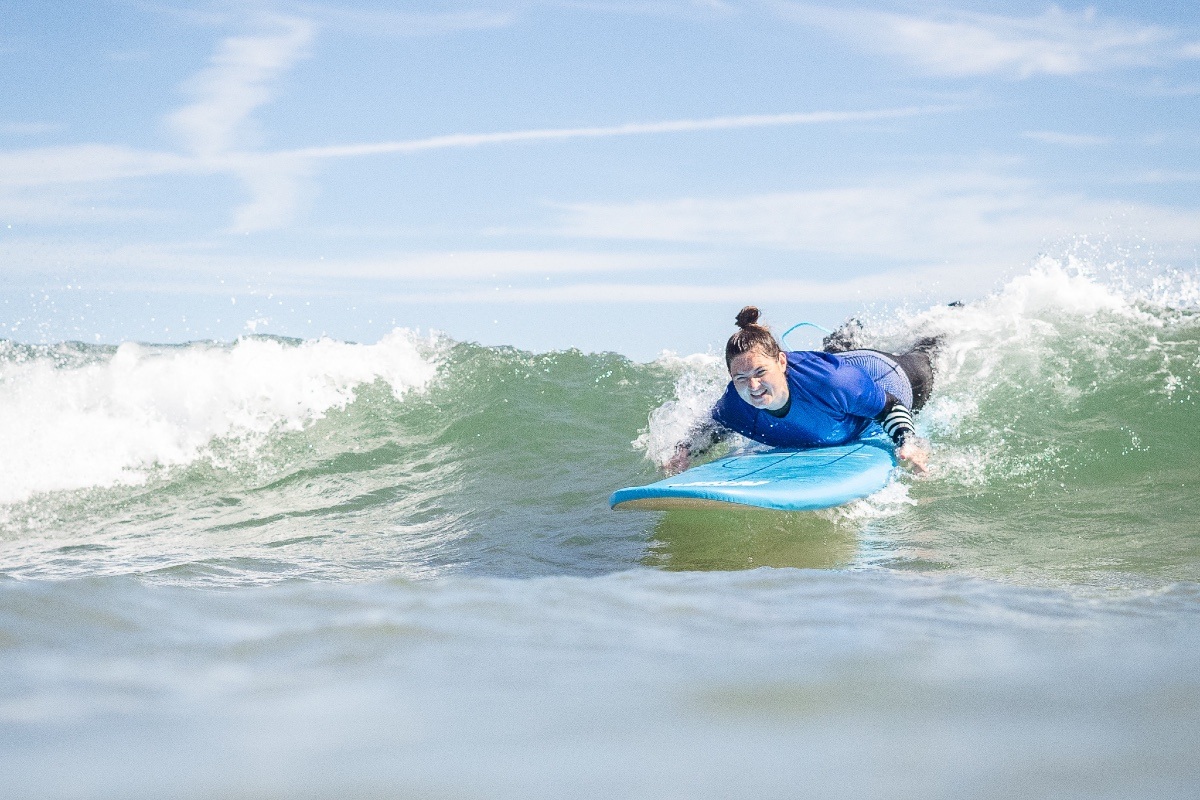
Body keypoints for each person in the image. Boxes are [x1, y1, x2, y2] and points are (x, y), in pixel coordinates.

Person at [667, 306, 937, 475]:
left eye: (760, 372)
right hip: (829, 375)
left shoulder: (833, 382)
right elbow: (713, 428)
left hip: (883, 373)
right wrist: (685, 451)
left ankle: (943, 329)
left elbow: (889, 406)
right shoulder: (735, 404)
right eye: (741, 377)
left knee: (925, 357)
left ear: (781, 361)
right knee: (833, 354)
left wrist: (908, 442)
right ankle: (843, 337)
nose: (753, 387)